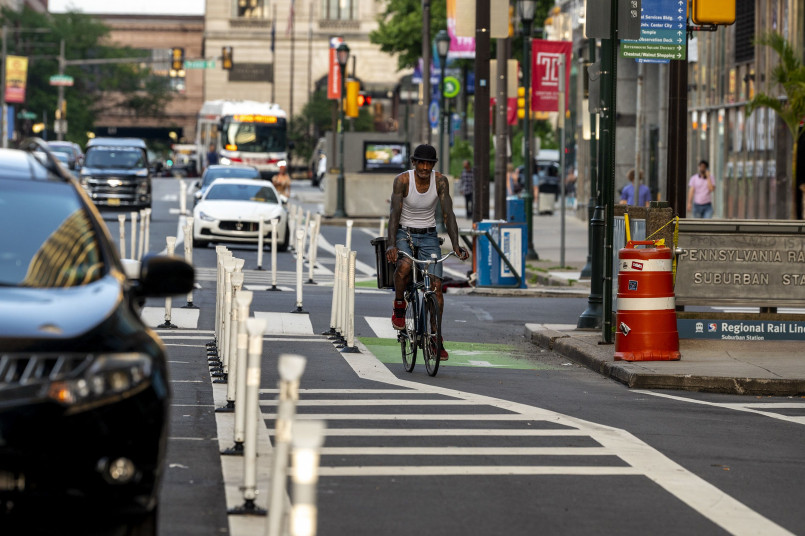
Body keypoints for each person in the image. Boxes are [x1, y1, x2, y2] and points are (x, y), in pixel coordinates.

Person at [385, 144, 469, 360]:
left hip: (430, 235)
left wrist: (456, 244)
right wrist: (392, 244)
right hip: (405, 233)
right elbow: (394, 213)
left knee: (437, 289)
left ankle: (435, 338)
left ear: (433, 165)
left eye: (428, 163)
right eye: (420, 162)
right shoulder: (403, 181)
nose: (424, 167)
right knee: (404, 265)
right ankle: (399, 304)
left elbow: (448, 213)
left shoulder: (440, 181)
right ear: (414, 163)